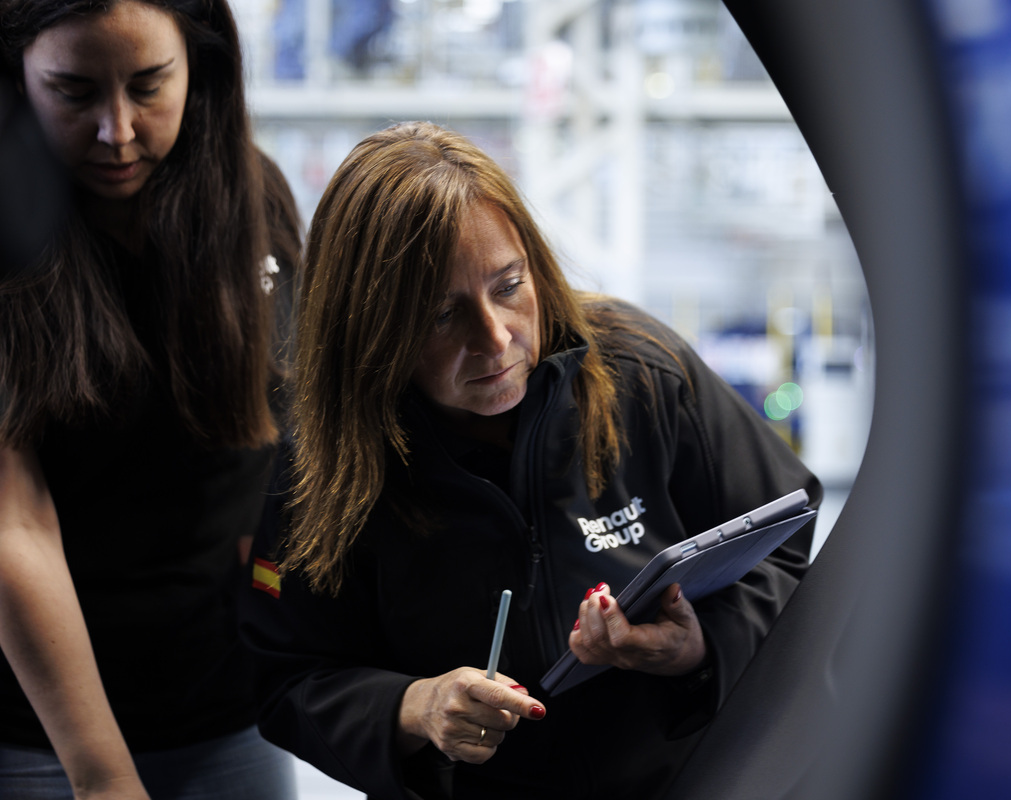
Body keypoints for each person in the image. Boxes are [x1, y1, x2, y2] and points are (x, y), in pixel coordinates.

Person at [239, 121, 822, 800]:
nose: (495, 338)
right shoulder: (325, 459)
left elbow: (789, 547)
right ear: (372, 328)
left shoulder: (641, 373)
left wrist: (697, 649)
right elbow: (283, 678)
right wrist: (416, 708)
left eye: (508, 286)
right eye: (439, 315)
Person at [0, 1, 302, 798]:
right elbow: (13, 526)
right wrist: (101, 778)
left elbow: (285, 429)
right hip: (42, 731)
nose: (119, 131)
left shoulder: (253, 199)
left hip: (228, 708)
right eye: (73, 92)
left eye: (148, 86)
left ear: (199, 64)